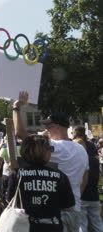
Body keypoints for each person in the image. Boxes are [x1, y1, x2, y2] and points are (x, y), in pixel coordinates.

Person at [13, 91, 89, 232]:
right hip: (75, 208)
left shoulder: (53, 147)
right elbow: (85, 178)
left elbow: (20, 133)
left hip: (55, 210)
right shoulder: (81, 149)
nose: (45, 129)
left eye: (48, 126)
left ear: (57, 127)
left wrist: (16, 107)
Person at [7, 135, 75, 232]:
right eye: (50, 149)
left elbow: (9, 199)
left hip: (23, 227)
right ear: (42, 151)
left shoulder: (16, 174)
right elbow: (68, 204)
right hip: (52, 227)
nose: (51, 152)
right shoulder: (59, 176)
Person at [72, 126, 103, 232]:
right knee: (98, 223)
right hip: (94, 196)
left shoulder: (80, 163)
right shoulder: (94, 160)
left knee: (82, 225)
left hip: (83, 195)